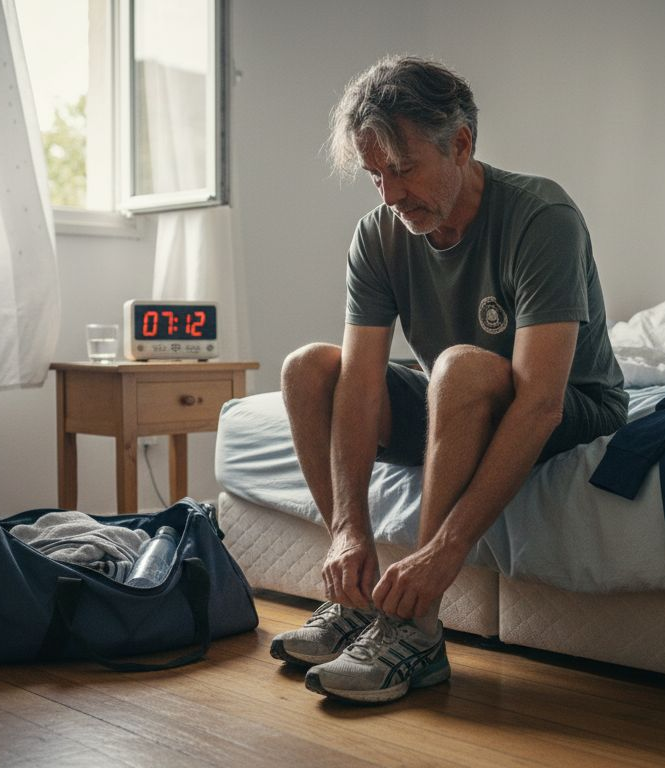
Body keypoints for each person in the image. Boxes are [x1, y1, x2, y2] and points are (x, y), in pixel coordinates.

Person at [270, 55, 627, 703]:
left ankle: (414, 625)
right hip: (457, 396)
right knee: (307, 369)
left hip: (572, 402)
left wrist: (445, 549)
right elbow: (359, 384)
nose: (389, 195)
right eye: (375, 175)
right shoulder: (378, 235)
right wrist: (349, 527)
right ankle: (356, 599)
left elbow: (542, 401)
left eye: (402, 171)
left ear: (461, 144)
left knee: (459, 368)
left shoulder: (542, 217)